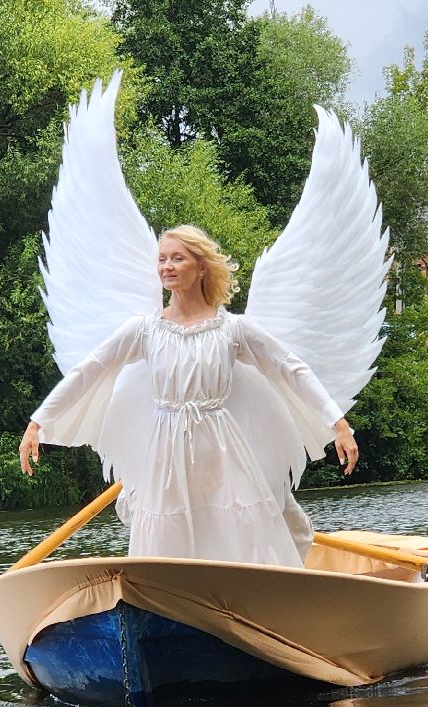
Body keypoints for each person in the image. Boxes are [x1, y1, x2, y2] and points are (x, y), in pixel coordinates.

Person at [20, 226, 358, 568]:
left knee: (238, 525)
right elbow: (90, 370)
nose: (167, 266)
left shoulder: (232, 330)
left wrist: (338, 424)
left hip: (222, 448)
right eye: (163, 259)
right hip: (166, 450)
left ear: (201, 268)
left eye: (177, 258)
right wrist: (39, 421)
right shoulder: (145, 329)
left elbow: (290, 368)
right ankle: (166, 600)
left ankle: (252, 596)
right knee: (168, 531)